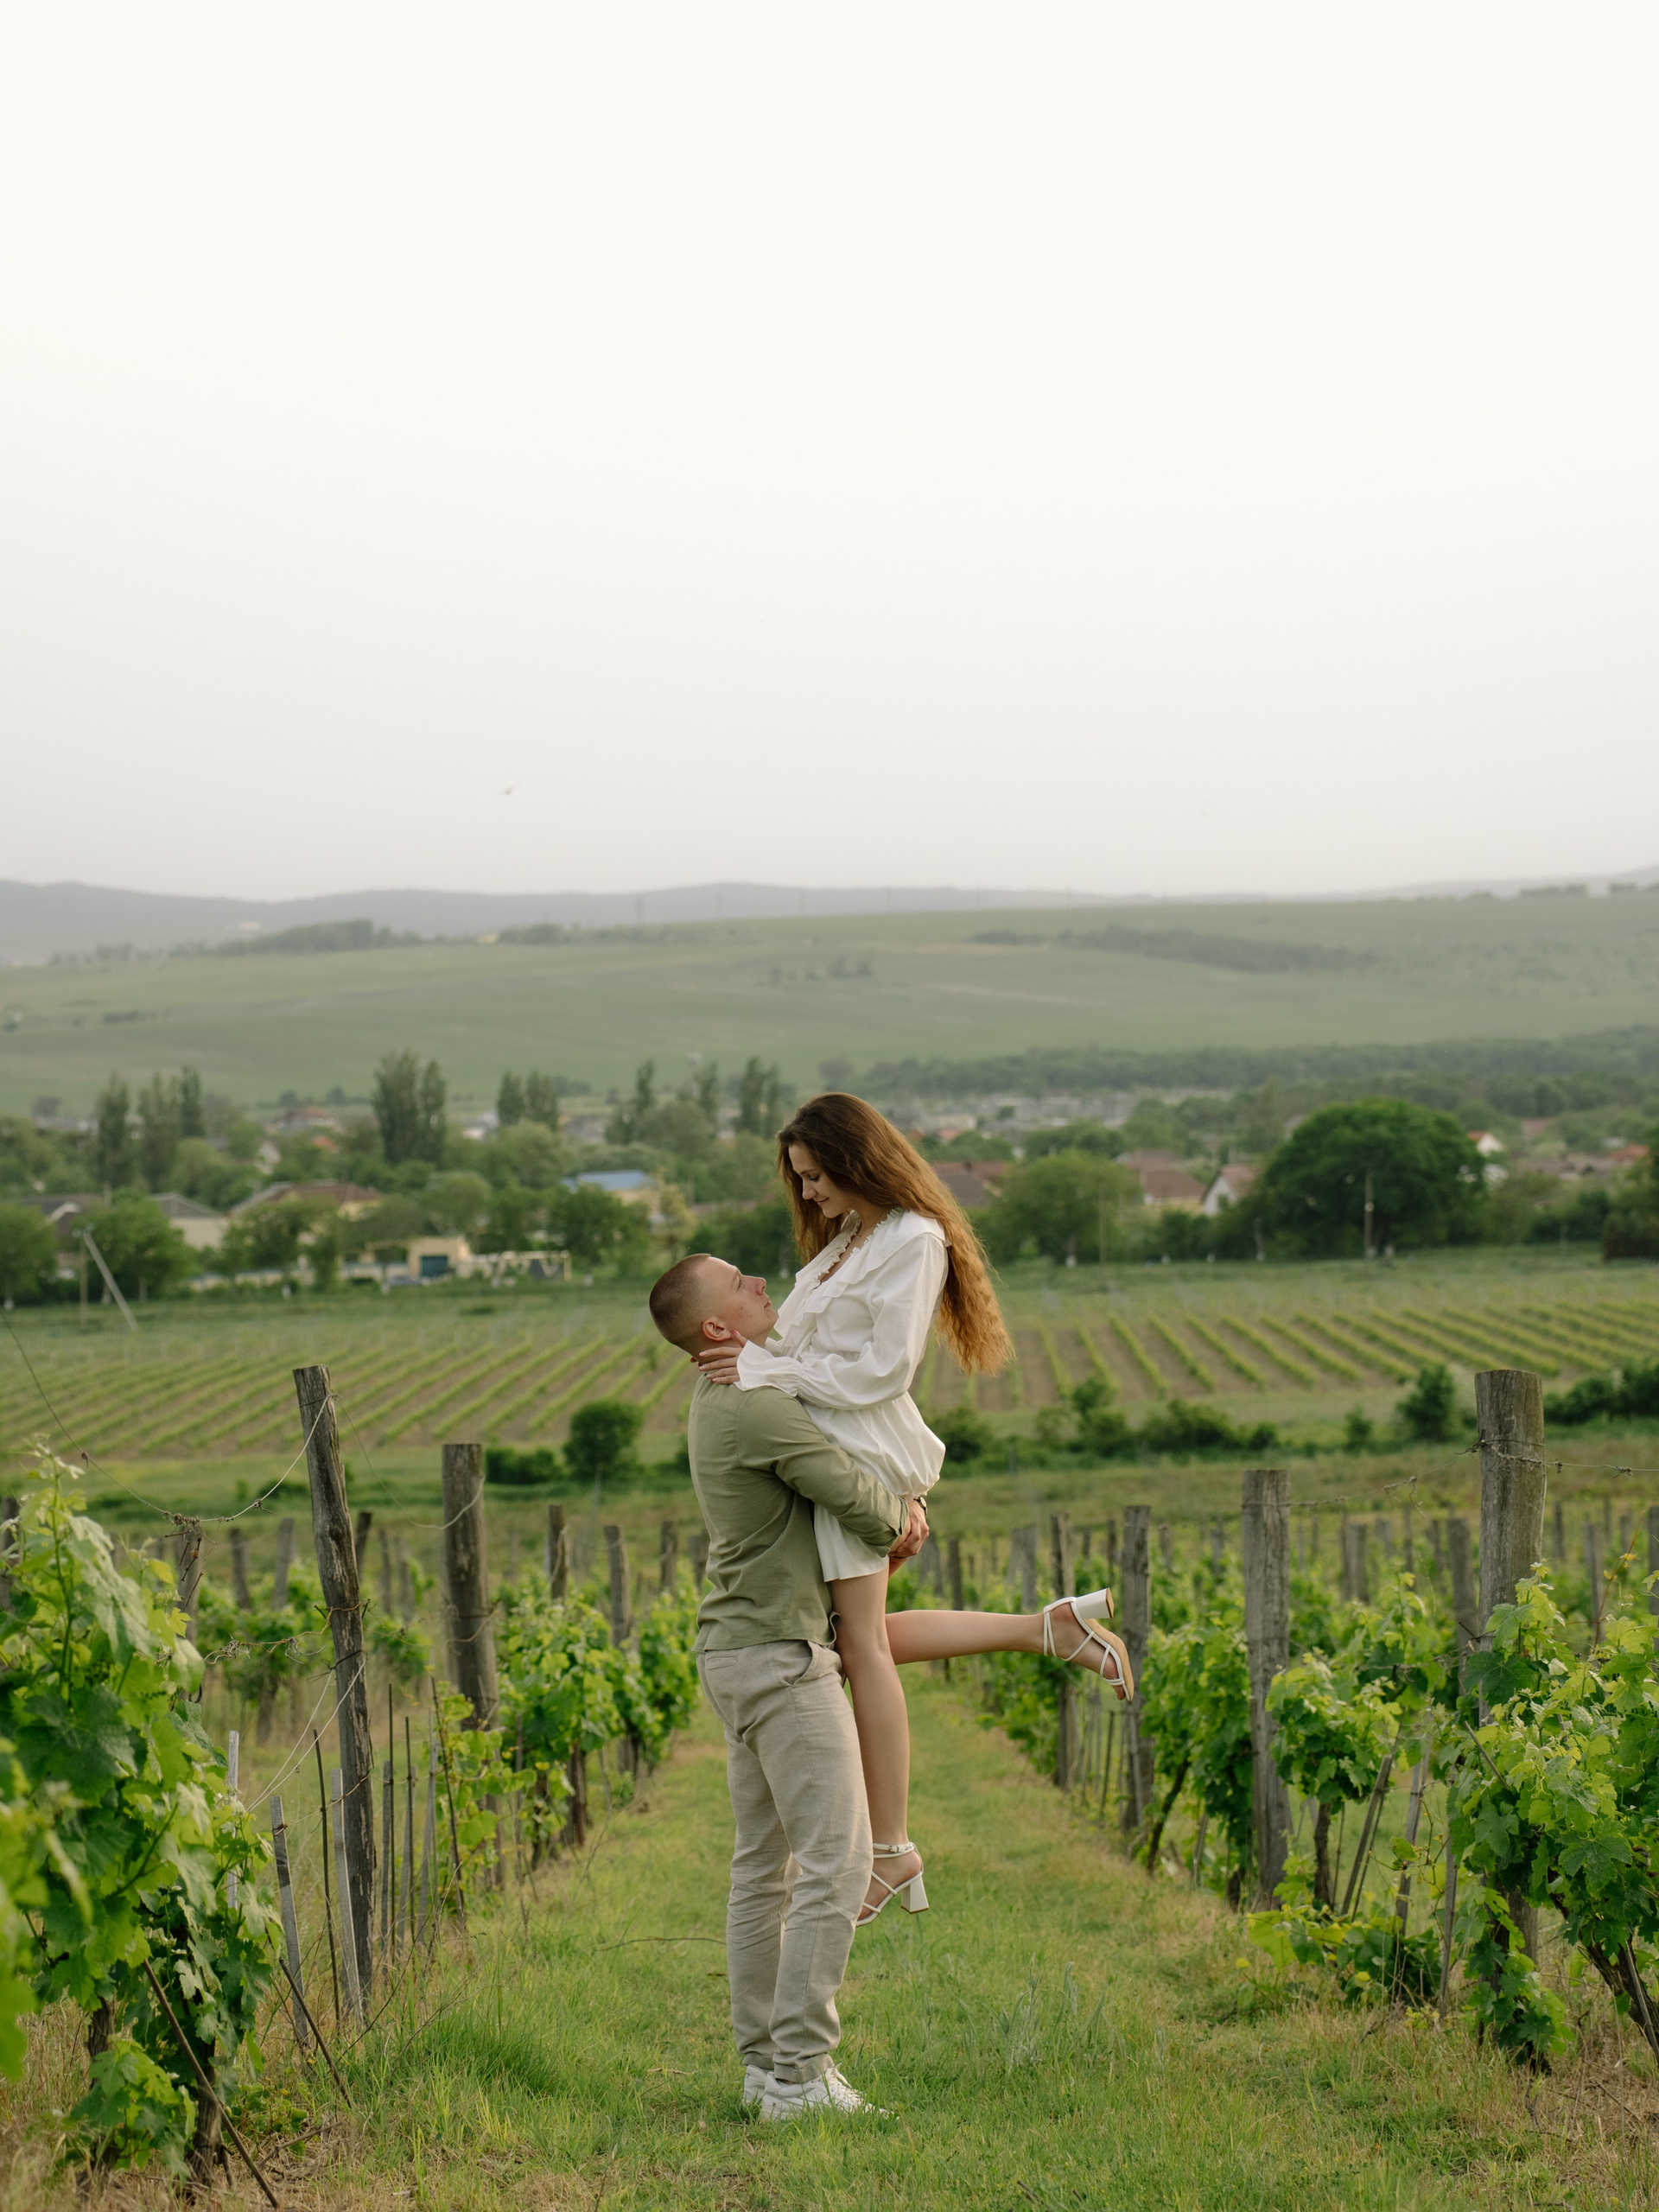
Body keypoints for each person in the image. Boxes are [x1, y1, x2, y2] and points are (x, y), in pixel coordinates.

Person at [695, 1093, 1134, 1924]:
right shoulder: (848, 1241)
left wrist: (766, 1371)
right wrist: (748, 1354)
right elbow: (804, 1348)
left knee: (858, 1647)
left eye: (815, 1175)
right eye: (801, 1178)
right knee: (849, 1642)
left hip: (860, 1458)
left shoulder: (913, 1240)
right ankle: (1046, 1630)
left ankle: (891, 1851)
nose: (808, 1193)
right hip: (831, 1455)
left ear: (855, 1159)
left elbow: (884, 1371)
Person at [647, 1250, 928, 2121]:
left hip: (736, 1651)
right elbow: (853, 1495)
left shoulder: (722, 1400)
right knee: (837, 1860)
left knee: (762, 1868)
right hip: (777, 1657)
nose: (763, 1285)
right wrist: (906, 1515)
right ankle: (801, 2075)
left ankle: (766, 2068)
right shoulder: (756, 1407)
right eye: (742, 1284)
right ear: (716, 1326)